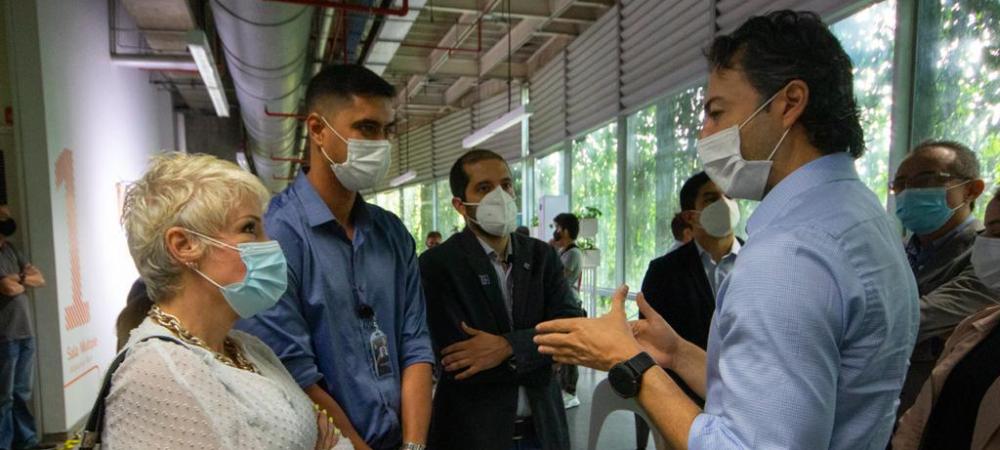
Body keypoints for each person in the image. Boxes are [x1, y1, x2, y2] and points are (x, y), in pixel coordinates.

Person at [534, 11, 918, 449]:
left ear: (789, 103)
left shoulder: (788, 256)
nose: (706, 133)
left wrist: (630, 362)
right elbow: (793, 396)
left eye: (717, 113)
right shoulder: (860, 216)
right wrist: (677, 353)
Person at [236, 64, 434, 450]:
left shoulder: (391, 234)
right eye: (366, 128)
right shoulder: (275, 236)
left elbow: (415, 346)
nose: (380, 144)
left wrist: (413, 445)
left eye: (386, 130)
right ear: (317, 129)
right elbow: (293, 373)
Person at [109, 153, 338, 450]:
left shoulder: (248, 348)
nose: (271, 245)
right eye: (249, 229)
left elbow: (333, 439)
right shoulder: (153, 374)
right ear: (184, 245)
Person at [419, 149, 584, 450]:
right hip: (473, 436)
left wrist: (507, 346)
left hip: (543, 431)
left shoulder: (542, 256)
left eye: (506, 185)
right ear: (460, 205)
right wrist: (542, 351)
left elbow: (572, 329)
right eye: (484, 188)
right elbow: (461, 359)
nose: (500, 195)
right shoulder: (438, 265)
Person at [892, 190, 1000, 449]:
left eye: (998, 232)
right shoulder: (977, 328)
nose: (987, 243)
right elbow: (922, 419)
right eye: (989, 232)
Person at [892, 140, 992, 414]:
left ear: (972, 189)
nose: (908, 191)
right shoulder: (891, 251)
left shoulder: (989, 257)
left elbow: (911, 321)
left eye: (925, 179)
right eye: (899, 184)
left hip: (941, 415)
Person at [0, 207, 47, 450]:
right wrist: (20, 279)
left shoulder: (11, 250)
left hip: (24, 332)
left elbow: (39, 278)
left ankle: (26, 441)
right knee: (4, 397)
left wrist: (15, 278)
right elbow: (8, 289)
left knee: (21, 392)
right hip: (4, 335)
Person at [551, 213, 583, 409]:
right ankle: (563, 387)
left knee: (570, 350)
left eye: (559, 227)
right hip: (561, 305)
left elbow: (560, 278)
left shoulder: (573, 253)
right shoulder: (563, 251)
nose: (556, 232)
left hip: (570, 306)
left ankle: (570, 390)